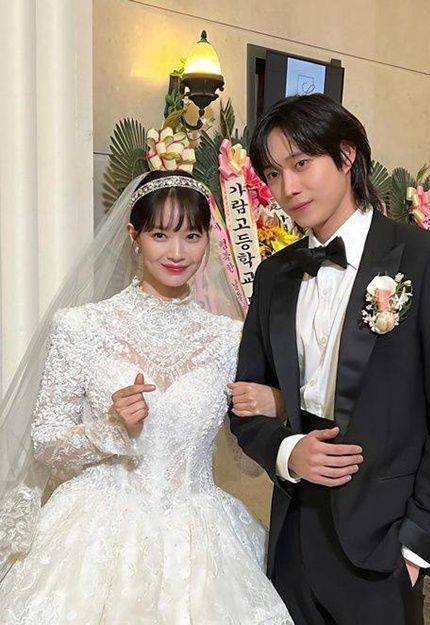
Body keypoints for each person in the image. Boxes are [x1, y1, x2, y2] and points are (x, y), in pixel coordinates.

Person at [229, 94, 430, 625]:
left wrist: (419, 543)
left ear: (347, 156)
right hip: (293, 536)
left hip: (384, 543)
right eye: (273, 174)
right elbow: (246, 402)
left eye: (302, 164)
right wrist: (286, 451)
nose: (288, 188)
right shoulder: (276, 274)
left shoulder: (428, 261)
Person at [0, 170, 293, 625]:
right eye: (160, 235)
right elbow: (46, 444)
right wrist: (109, 429)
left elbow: (246, 462)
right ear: (133, 236)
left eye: (192, 236)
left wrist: (274, 407)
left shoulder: (231, 339)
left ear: (207, 241)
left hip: (200, 541)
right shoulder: (80, 327)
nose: (177, 253)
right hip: (94, 539)